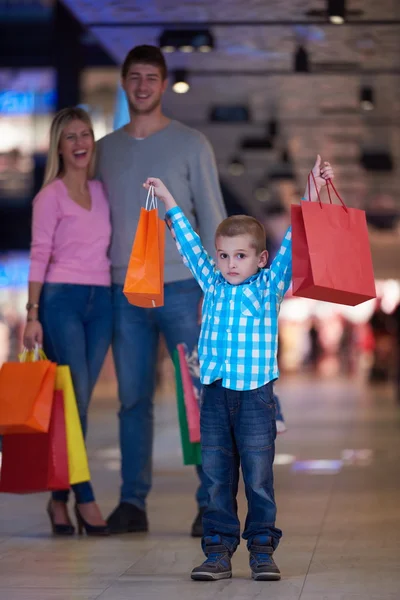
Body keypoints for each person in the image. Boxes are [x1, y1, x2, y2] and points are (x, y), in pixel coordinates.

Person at [143, 154, 334, 581]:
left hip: (255, 398)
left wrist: (313, 191)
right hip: (214, 394)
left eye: (241, 256)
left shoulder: (269, 287)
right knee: (215, 476)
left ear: (261, 259)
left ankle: (262, 549)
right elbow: (188, 241)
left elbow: (293, 240)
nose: (231, 264)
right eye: (224, 255)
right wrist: (169, 198)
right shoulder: (210, 282)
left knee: (259, 476)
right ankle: (218, 551)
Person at [96, 45, 227, 536]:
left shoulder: (192, 144)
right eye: (136, 77)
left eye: (153, 77)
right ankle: (132, 503)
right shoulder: (106, 149)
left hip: (184, 287)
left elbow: (212, 216)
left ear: (164, 82)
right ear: (125, 83)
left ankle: (210, 502)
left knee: (199, 396)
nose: (144, 85)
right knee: (131, 400)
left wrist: (216, 291)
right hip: (123, 290)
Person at [23, 107, 112, 536]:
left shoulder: (102, 190)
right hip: (61, 301)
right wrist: (32, 314)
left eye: (86, 134)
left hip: (104, 302)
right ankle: (86, 497)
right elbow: (39, 254)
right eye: (71, 136)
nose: (80, 143)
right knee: (73, 402)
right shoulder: (50, 197)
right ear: (59, 145)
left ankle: (58, 502)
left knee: (76, 403)